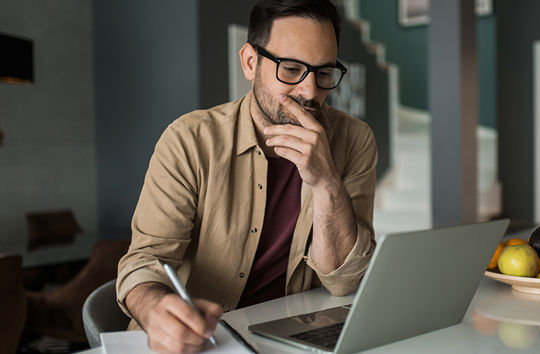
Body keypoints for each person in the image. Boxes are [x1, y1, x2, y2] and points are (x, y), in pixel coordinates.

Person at [115, 0, 377, 352]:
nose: (310, 91)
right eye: (291, 68)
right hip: (201, 341)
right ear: (251, 63)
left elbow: (346, 281)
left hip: (286, 339)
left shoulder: (354, 139)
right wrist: (154, 309)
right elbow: (145, 261)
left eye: (324, 72)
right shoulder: (190, 140)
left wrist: (326, 182)